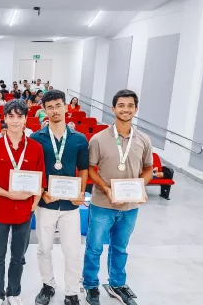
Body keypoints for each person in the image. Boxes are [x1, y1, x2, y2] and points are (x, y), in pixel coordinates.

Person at [83, 89, 153, 305]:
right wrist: (107, 189)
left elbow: (149, 168)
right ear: (113, 109)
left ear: (136, 109)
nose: (126, 109)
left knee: (120, 247)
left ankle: (116, 284)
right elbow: (91, 169)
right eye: (121, 105)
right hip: (102, 204)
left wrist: (141, 187)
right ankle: (90, 285)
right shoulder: (98, 139)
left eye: (130, 105)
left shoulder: (143, 139)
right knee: (94, 247)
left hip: (130, 207)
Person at [0, 99, 46, 305]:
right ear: (5, 119)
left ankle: (14, 292)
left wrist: (33, 204)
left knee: (18, 256)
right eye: (11, 116)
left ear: (26, 119)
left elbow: (41, 179)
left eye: (20, 116)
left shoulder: (35, 148)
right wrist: (10, 195)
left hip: (24, 213)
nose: (15, 121)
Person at [30, 90, 89, 305]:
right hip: (46, 203)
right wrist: (42, 191)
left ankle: (72, 292)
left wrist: (81, 192)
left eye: (58, 105)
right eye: (50, 107)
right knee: (43, 248)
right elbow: (33, 171)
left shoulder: (79, 139)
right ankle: (48, 285)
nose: (55, 110)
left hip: (71, 206)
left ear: (66, 107)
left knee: (72, 250)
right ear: (44, 110)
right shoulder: (36, 138)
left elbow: (83, 169)